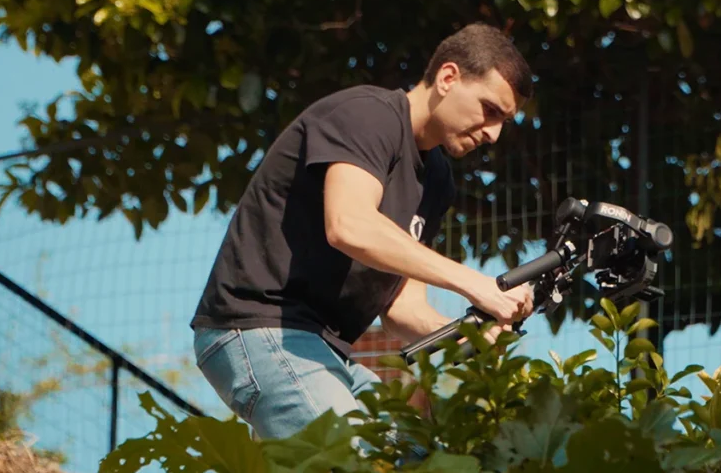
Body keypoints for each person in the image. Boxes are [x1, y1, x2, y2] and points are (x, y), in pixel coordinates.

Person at [190, 22, 536, 440]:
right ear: (448, 77)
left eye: (504, 120)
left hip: (329, 351)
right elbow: (349, 225)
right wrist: (475, 284)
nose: (494, 133)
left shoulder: (437, 178)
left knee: (414, 469)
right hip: (256, 328)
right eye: (490, 110)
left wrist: (472, 335)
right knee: (362, 469)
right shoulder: (368, 115)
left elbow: (401, 310)